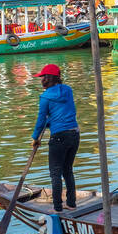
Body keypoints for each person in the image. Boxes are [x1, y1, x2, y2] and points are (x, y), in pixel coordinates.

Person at [32, 64, 80, 212]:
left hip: (59, 137)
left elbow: (41, 120)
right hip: (74, 134)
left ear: (48, 78)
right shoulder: (68, 90)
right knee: (68, 170)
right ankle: (71, 204)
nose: (41, 80)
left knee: (55, 173)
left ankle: (57, 207)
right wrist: (49, 123)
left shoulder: (45, 97)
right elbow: (61, 114)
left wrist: (35, 138)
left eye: (42, 77)